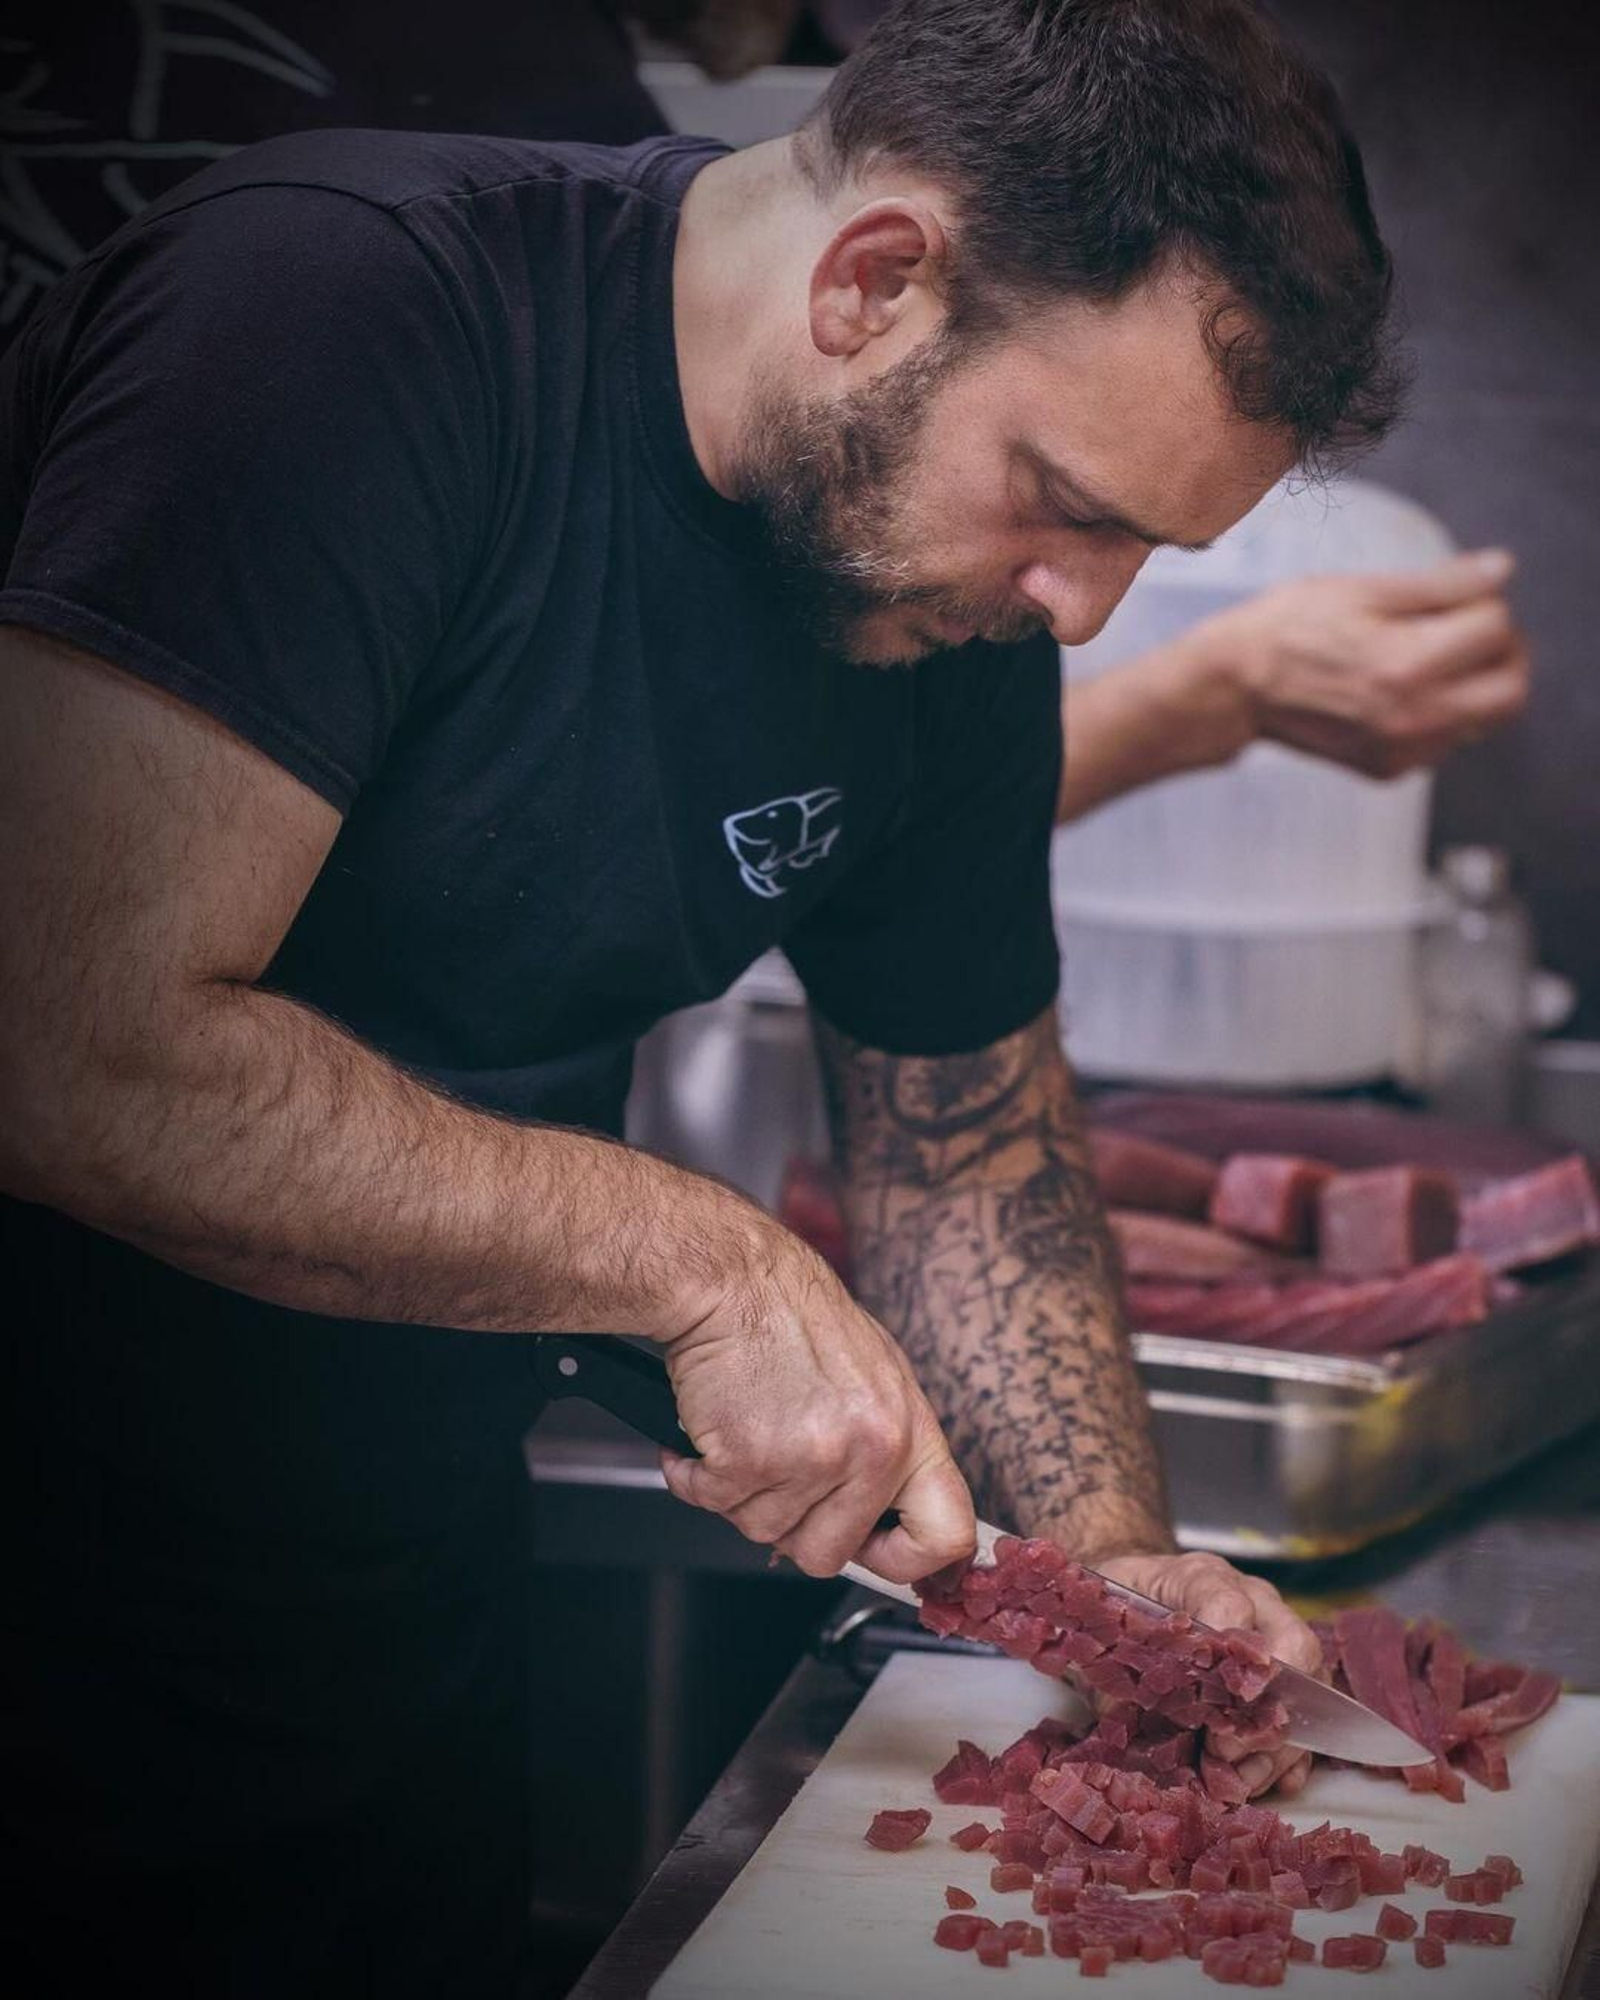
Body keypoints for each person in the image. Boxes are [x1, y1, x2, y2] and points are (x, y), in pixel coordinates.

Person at [0, 0, 1403, 1989]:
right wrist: (701, 1263)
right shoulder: (337, 319)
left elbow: (966, 1145)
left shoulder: (954, 604)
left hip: (377, 1580)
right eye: (1068, 502)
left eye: (1142, 552)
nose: (1081, 611)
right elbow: (65, 1036)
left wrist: (1103, 1574)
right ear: (874, 281)